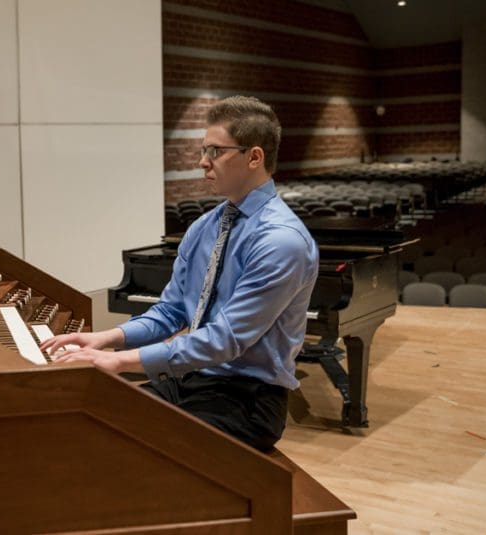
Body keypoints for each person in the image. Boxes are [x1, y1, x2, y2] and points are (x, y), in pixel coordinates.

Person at [40, 95, 318, 451]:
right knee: (92, 421)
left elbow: (225, 340)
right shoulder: (205, 227)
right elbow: (170, 312)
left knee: (128, 448)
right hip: (191, 378)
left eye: (215, 151)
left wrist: (119, 362)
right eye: (203, 151)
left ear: (254, 157)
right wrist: (105, 340)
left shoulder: (281, 240)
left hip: (246, 398)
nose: (203, 162)